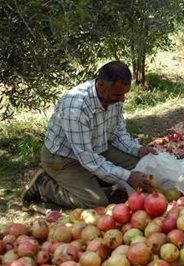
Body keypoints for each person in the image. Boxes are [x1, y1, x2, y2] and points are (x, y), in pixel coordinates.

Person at [21, 61, 157, 209]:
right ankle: (44, 185)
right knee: (96, 202)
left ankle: (98, 180)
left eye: (124, 94)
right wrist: (128, 176)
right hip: (64, 159)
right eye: (118, 94)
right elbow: (87, 158)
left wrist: (137, 150)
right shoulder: (76, 107)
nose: (122, 99)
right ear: (101, 86)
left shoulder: (113, 97)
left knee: (145, 167)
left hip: (99, 148)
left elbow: (118, 134)